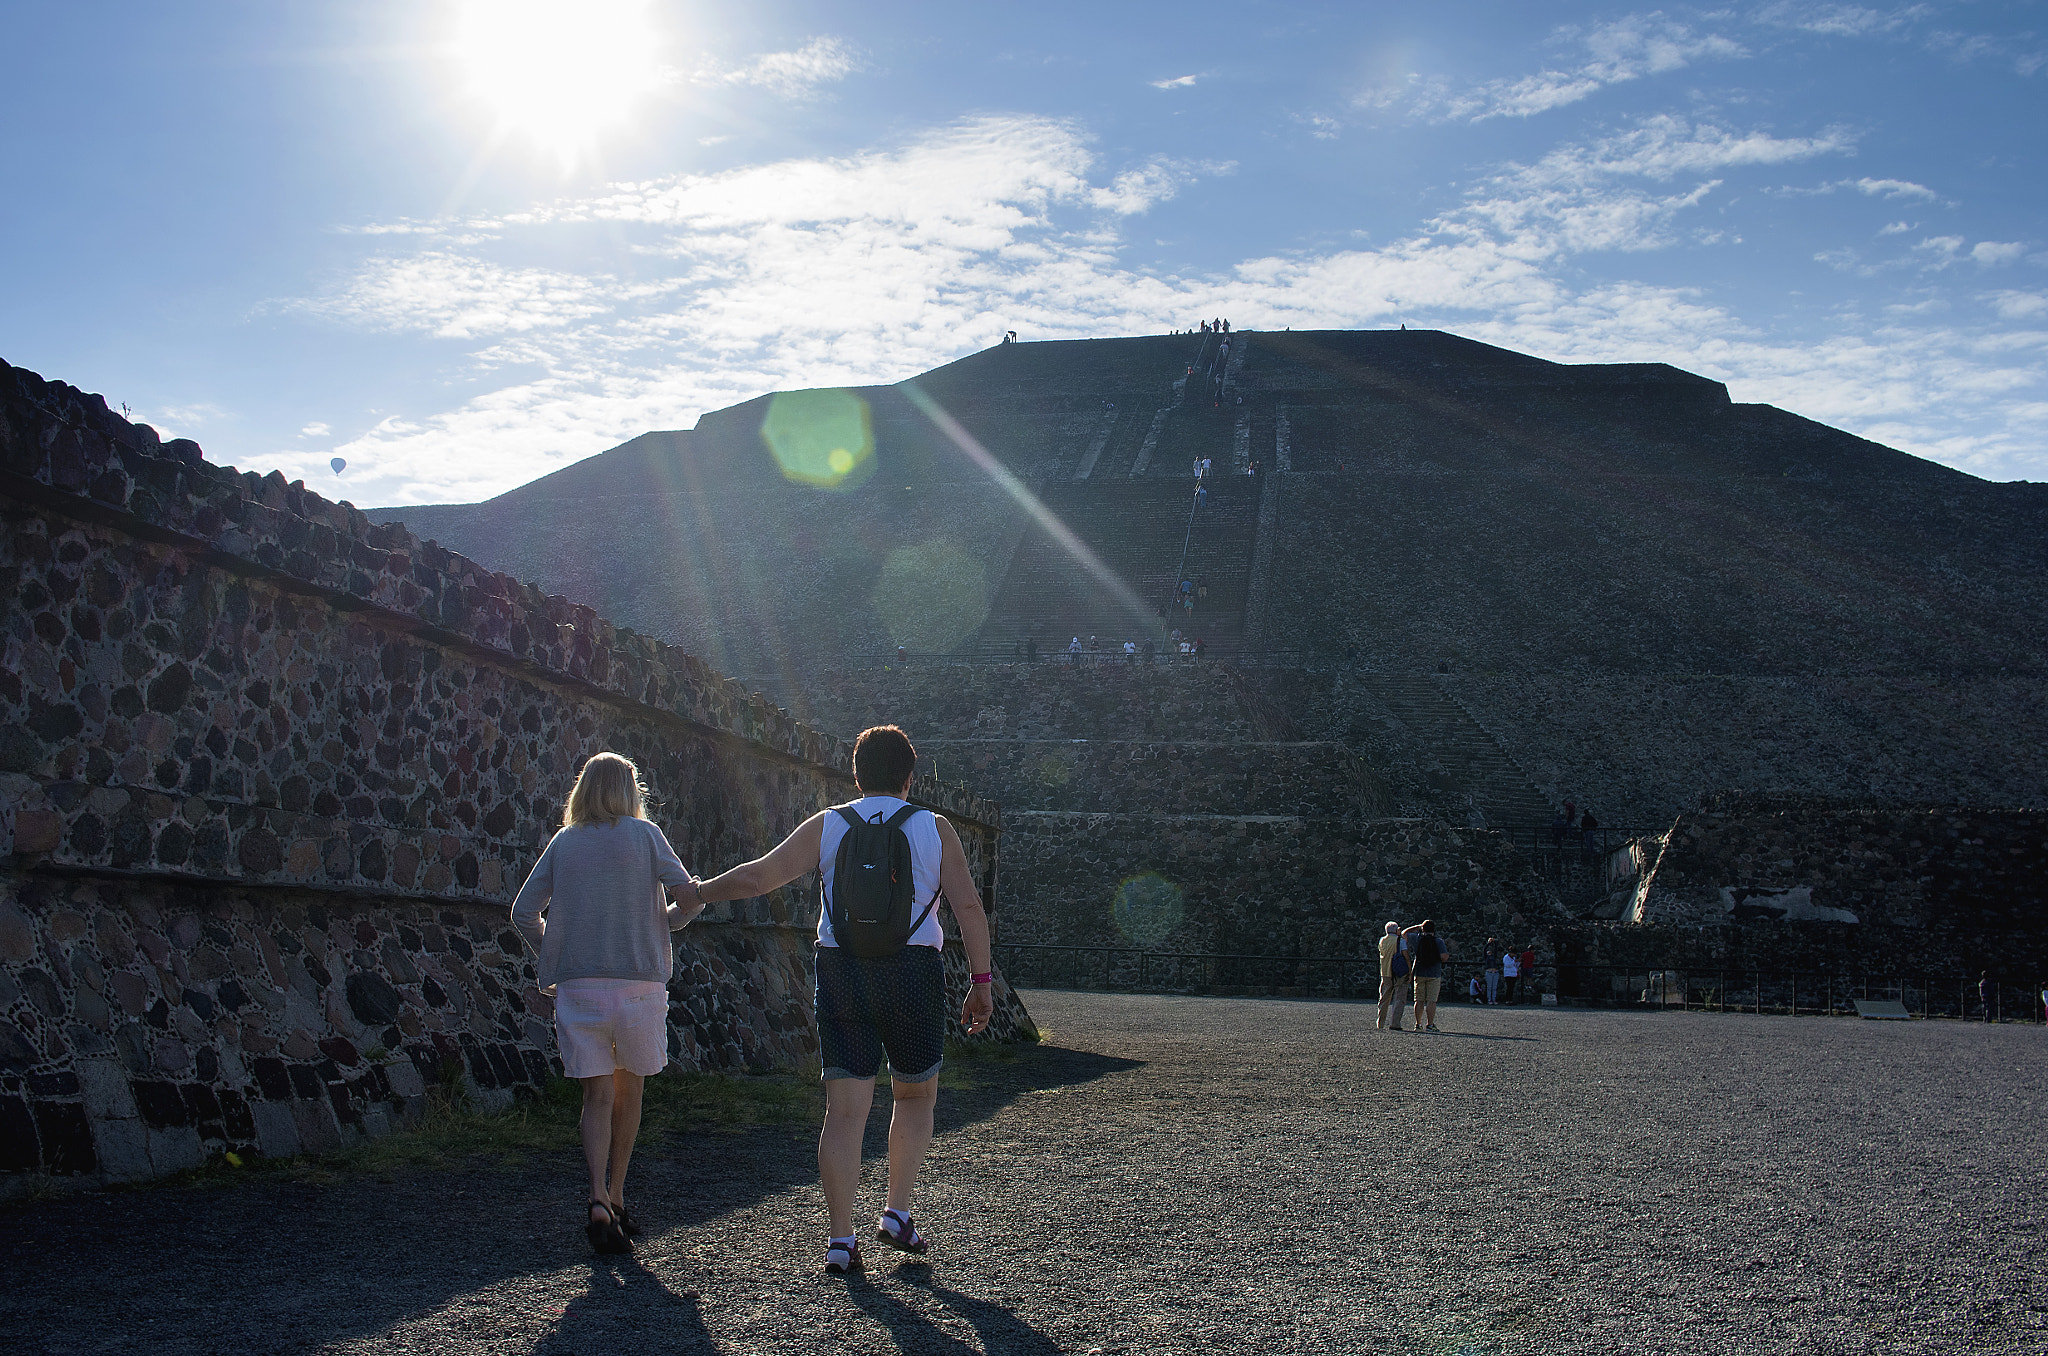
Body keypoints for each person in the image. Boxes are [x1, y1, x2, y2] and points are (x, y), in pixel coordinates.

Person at [692, 726, 995, 1275]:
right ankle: (897, 1213)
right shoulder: (934, 828)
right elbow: (969, 908)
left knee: (845, 1109)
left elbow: (762, 878)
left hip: (841, 969)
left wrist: (698, 891)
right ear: (909, 777)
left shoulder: (831, 824)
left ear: (856, 774)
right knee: (915, 1094)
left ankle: (840, 1239)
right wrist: (981, 985)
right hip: (911, 971)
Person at [510, 752, 702, 1255]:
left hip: (579, 989)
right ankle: (618, 1196)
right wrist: (673, 912)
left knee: (595, 1097)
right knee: (629, 1094)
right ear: (630, 790)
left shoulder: (565, 842)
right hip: (638, 988)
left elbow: (523, 912)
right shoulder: (647, 837)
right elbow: (686, 905)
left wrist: (558, 945)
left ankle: (596, 1196)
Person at [1402, 920, 1449, 1031]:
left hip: (1419, 972)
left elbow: (1404, 933)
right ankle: (1430, 1024)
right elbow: (1444, 957)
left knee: (1418, 1000)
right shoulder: (1438, 941)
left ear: (1423, 929)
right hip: (1434, 973)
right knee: (1431, 1001)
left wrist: (1417, 926)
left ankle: (1418, 1024)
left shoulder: (1417, 939)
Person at [1376, 922, 1412, 1031]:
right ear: (1396, 930)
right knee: (1399, 998)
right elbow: (1406, 956)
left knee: (1384, 998)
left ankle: (1380, 1023)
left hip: (1385, 972)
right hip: (1398, 972)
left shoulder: (1382, 940)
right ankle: (1395, 1023)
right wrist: (1410, 971)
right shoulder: (1399, 941)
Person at [1484, 938, 1502, 1005]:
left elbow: (1496, 949)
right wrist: (1488, 943)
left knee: (1494, 987)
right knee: (1489, 987)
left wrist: (1494, 942)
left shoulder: (1494, 956)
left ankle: (1494, 999)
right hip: (1489, 972)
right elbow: (1484, 949)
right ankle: (1489, 999)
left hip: (1495, 973)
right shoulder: (1486, 957)